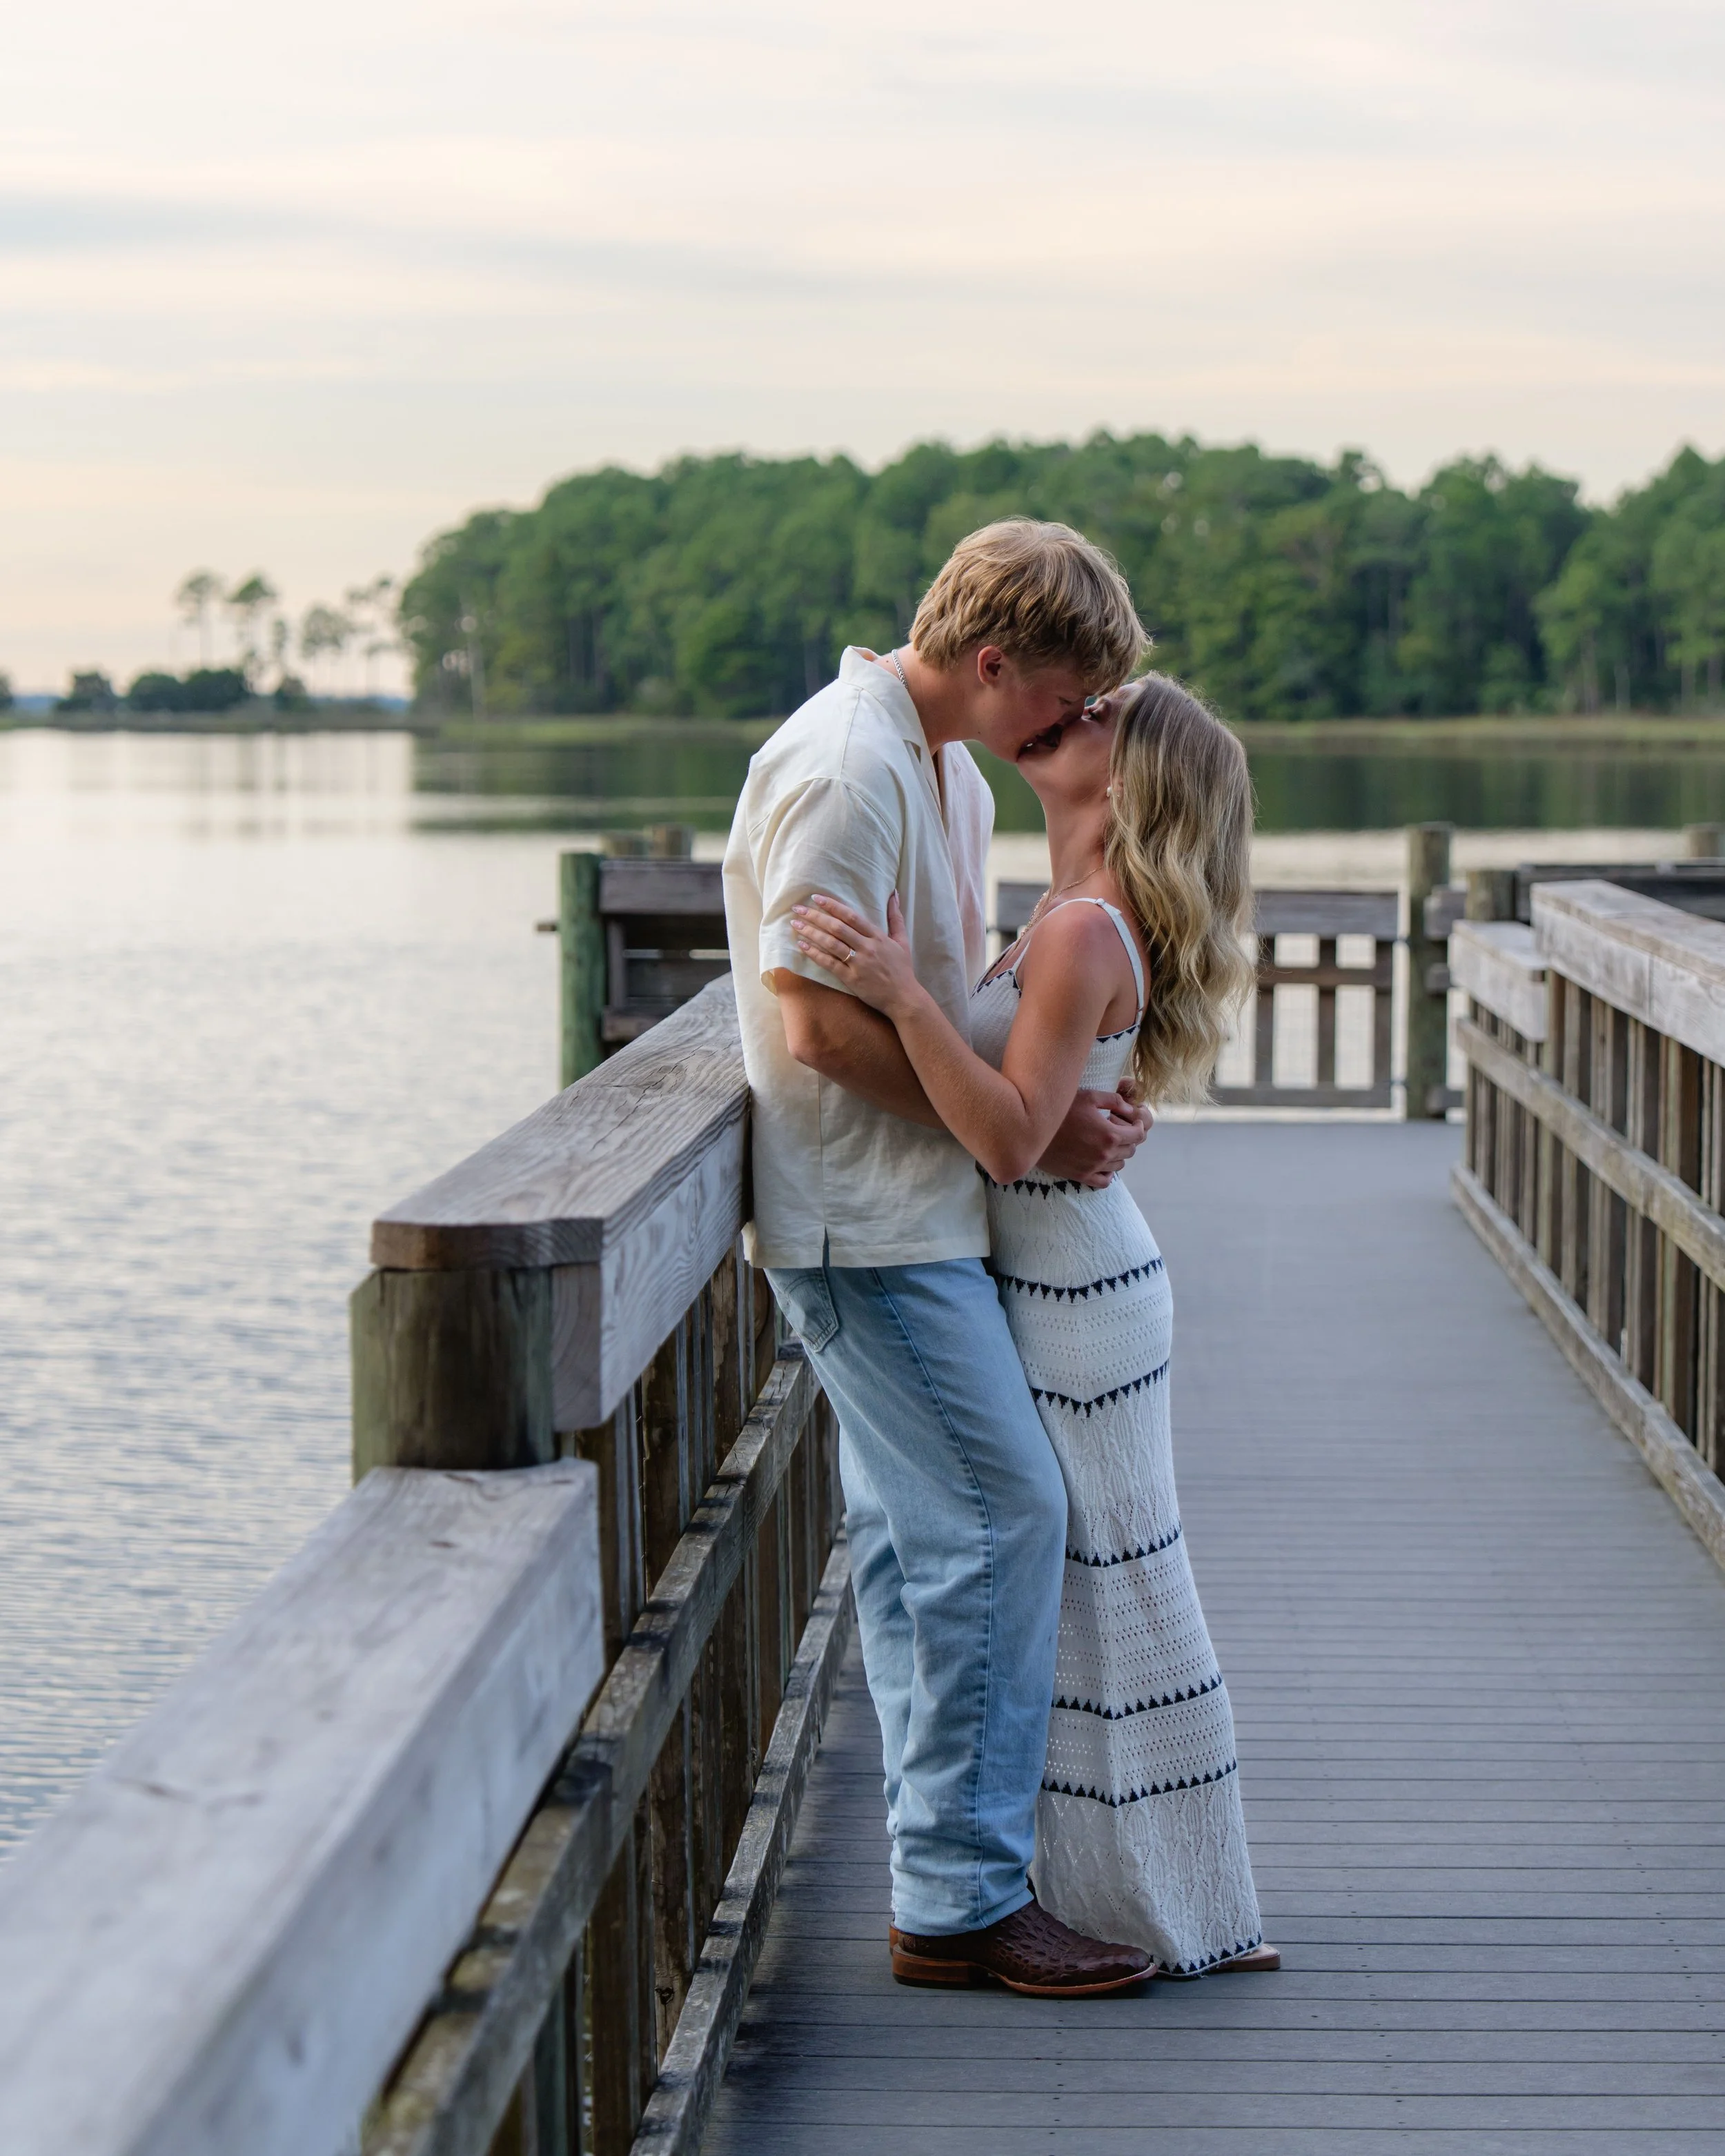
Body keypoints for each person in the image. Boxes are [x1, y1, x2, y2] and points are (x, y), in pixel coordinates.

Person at [722, 521, 1159, 1995]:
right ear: (990, 663)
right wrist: (1010, 1135)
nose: (1068, 725)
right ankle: (967, 1899)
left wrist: (1046, 1103)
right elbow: (818, 1024)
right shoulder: (847, 768)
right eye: (1060, 693)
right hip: (863, 1221)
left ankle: (939, 1883)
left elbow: (941, 995)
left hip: (920, 1212)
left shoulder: (948, 769)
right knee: (1002, 1513)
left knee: (927, 1553)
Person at [791, 671, 1274, 1976]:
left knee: (1109, 1580)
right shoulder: (1062, 917)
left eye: (1104, 708)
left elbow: (1007, 1142)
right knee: (1093, 1580)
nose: (1070, 705)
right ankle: (1159, 1898)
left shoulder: (1076, 932)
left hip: (1073, 1290)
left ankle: (1170, 1903)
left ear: (1127, 778)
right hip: (1064, 1275)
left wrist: (899, 993)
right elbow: (1038, 1107)